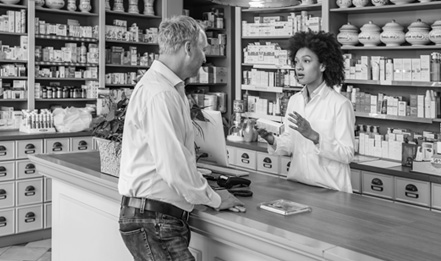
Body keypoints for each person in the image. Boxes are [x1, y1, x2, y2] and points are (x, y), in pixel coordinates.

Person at [118, 15, 244, 261]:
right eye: (203, 48)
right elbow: (173, 165)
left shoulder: (167, 89)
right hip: (153, 220)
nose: (205, 57)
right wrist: (215, 198)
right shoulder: (160, 94)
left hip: (154, 218)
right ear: (188, 48)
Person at [257, 31, 355, 193]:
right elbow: (289, 145)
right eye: (296, 62)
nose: (299, 67)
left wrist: (315, 137)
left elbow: (347, 154)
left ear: (323, 65)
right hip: (299, 186)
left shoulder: (340, 104)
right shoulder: (295, 100)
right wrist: (272, 140)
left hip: (330, 190)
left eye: (306, 61)